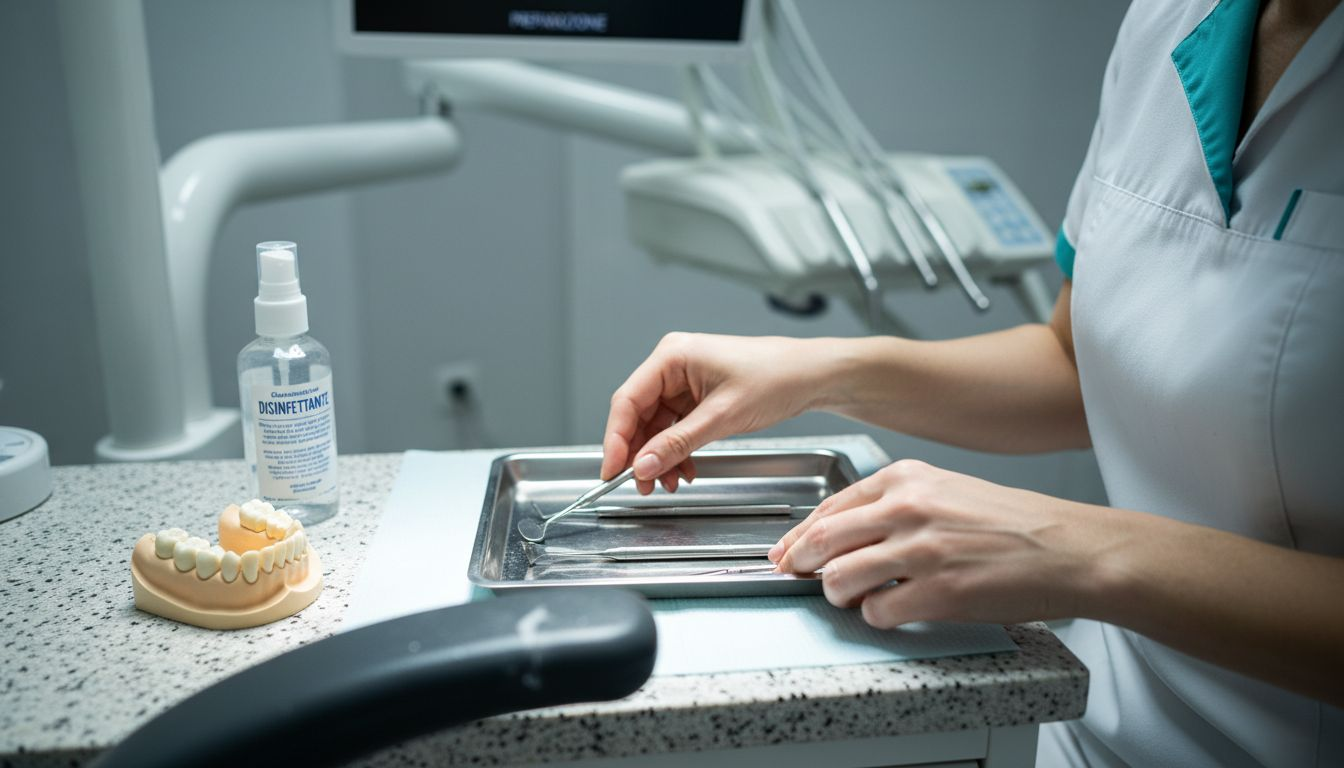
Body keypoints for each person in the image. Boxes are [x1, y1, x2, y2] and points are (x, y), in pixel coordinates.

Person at [599, 0, 1344, 765]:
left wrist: (1080, 553)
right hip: (1086, 717)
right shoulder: (1168, 22)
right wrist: (820, 369)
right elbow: (1073, 363)